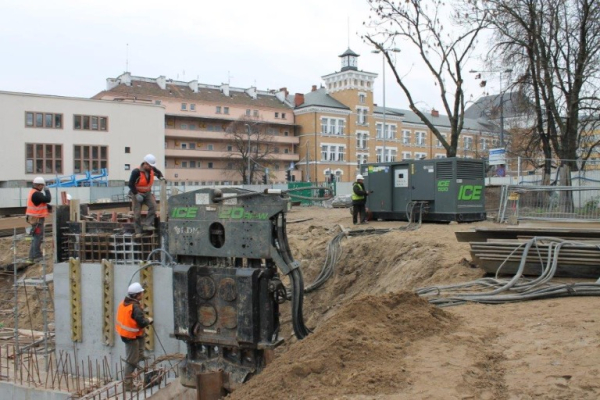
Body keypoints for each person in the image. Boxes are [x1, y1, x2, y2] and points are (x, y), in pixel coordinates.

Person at [115, 282, 153, 391]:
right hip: (129, 336)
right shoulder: (134, 307)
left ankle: (139, 355)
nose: (142, 294)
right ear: (136, 295)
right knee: (131, 361)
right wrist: (149, 321)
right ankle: (128, 385)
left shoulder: (124, 303)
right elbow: (141, 322)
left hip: (128, 333)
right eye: (141, 293)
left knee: (142, 335)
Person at [128, 154, 165, 236]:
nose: (151, 168)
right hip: (137, 193)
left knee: (153, 206)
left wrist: (161, 177)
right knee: (137, 214)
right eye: (150, 166)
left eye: (152, 166)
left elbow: (158, 173)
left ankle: (147, 224)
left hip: (147, 193)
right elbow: (130, 184)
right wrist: (136, 194)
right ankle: (138, 232)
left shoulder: (152, 169)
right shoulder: (136, 172)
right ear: (145, 163)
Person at [25, 177, 52, 263]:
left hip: (35, 218)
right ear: (39, 185)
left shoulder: (34, 193)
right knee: (38, 237)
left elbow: (41, 203)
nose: (43, 187)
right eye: (43, 186)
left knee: (36, 237)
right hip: (37, 219)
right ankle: (36, 256)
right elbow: (47, 199)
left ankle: (33, 256)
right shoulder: (37, 194)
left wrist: (50, 207)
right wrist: (47, 191)